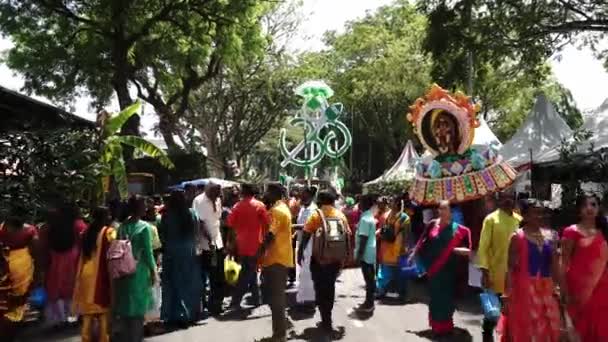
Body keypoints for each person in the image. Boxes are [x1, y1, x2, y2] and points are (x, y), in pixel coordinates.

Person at [497, 199, 561, 341]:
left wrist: (557, 288)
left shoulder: (552, 236)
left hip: (545, 291)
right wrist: (506, 295)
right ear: (525, 216)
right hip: (524, 291)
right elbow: (510, 268)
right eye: (535, 213)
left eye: (541, 213)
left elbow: (555, 266)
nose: (539, 216)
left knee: (546, 328)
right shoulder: (517, 237)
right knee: (525, 329)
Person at [412, 200, 471, 337]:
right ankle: (436, 326)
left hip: (449, 269)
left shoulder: (460, 230)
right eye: (440, 209)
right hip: (433, 268)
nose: (441, 211)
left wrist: (456, 250)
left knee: (447, 298)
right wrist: (414, 254)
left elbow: (468, 250)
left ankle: (447, 326)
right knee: (435, 298)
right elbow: (422, 240)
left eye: (445, 209)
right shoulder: (432, 224)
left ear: (451, 212)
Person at [299, 190, 350, 338]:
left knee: (320, 289)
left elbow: (307, 233)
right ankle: (327, 318)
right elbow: (347, 235)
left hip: (319, 259)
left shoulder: (317, 214)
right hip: (335, 260)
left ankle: (325, 320)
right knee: (330, 287)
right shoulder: (341, 215)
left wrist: (300, 253)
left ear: (320, 200)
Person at [561, 194, 608, 341]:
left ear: (599, 208)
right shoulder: (571, 231)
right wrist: (562, 290)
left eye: (593, 205)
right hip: (578, 288)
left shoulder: (605, 231)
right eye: (585, 205)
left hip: (602, 287)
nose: (589, 208)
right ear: (579, 210)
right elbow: (564, 263)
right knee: (579, 330)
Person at [476, 190, 521, 342]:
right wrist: (484, 272)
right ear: (499, 200)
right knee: (492, 314)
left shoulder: (520, 220)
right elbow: (483, 248)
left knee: (513, 314)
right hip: (495, 275)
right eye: (504, 198)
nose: (508, 200)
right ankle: (487, 338)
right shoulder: (491, 220)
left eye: (511, 198)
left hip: (515, 276)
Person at [113, 196, 158, 342]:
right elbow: (148, 252)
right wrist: (153, 271)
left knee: (126, 308)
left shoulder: (122, 226)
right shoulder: (144, 227)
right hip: (139, 271)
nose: (146, 208)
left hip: (122, 271)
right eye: (143, 205)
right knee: (138, 310)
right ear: (138, 208)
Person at [158, 190, 202, 327]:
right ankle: (188, 314)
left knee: (172, 284)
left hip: (171, 251)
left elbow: (162, 235)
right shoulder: (191, 213)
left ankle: (172, 315)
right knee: (189, 284)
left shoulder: (165, 216)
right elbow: (196, 232)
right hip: (188, 252)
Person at [72, 207, 115, 342]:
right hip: (99, 274)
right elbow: (112, 254)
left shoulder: (85, 232)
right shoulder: (109, 232)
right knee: (102, 312)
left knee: (87, 314)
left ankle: (86, 338)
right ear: (104, 217)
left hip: (85, 273)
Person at [41, 203, 87, 326]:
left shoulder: (50, 226)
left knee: (56, 290)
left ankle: (57, 319)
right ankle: (73, 317)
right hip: (73, 260)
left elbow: (44, 244)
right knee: (72, 290)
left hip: (55, 260)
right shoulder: (78, 225)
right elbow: (84, 243)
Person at [258, 183, 293, 342]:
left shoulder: (277, 211)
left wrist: (258, 253)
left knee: (276, 299)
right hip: (277, 259)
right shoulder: (281, 208)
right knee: (274, 297)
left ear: (273, 193)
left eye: (267, 191)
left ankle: (279, 335)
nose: (264, 194)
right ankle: (281, 330)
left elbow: (270, 235)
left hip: (275, 260)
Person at [227, 184, 270, 310]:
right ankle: (239, 301)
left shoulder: (237, 206)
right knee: (248, 272)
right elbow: (267, 225)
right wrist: (265, 244)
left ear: (243, 192)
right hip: (256, 244)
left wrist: (230, 243)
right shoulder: (259, 206)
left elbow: (230, 225)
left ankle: (254, 299)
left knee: (248, 271)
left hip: (241, 245)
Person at [0, 214, 39, 342]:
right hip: (21, 265)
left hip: (7, 264)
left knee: (9, 297)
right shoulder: (30, 230)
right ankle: (13, 325)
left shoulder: (1, 228)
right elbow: (35, 249)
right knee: (19, 297)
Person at [192, 182, 225, 316]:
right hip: (205, 245)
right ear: (208, 190)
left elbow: (217, 221)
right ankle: (204, 305)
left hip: (218, 243)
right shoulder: (198, 201)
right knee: (207, 276)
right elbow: (199, 223)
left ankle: (216, 304)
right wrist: (209, 240)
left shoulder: (217, 200)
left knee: (219, 276)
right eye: (216, 192)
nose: (218, 195)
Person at [376, 195, 411, 302]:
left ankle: (401, 293)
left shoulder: (404, 218)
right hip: (389, 247)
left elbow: (406, 235)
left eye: (392, 201)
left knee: (399, 273)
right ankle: (383, 291)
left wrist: (406, 247)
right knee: (387, 271)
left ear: (397, 204)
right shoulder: (391, 216)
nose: (390, 203)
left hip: (398, 248)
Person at [354, 194, 378, 314]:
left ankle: (369, 303)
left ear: (364, 204)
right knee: (370, 278)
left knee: (368, 279)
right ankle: (369, 301)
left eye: (361, 202)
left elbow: (363, 238)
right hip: (371, 251)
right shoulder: (369, 217)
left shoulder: (364, 219)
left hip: (366, 252)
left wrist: (358, 255)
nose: (359, 204)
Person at [295, 187, 318, 308]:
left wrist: (293, 226)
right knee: (303, 273)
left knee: (308, 273)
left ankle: (309, 302)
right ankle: (304, 299)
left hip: (308, 244)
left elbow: (306, 229)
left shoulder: (312, 210)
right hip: (302, 242)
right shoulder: (303, 208)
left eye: (303, 194)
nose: (301, 196)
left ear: (310, 195)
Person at [287, 187, 301, 288]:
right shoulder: (297, 203)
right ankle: (291, 276)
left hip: (290, 231)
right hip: (293, 232)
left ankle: (291, 276)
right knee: (291, 255)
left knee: (290, 254)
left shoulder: (292, 202)